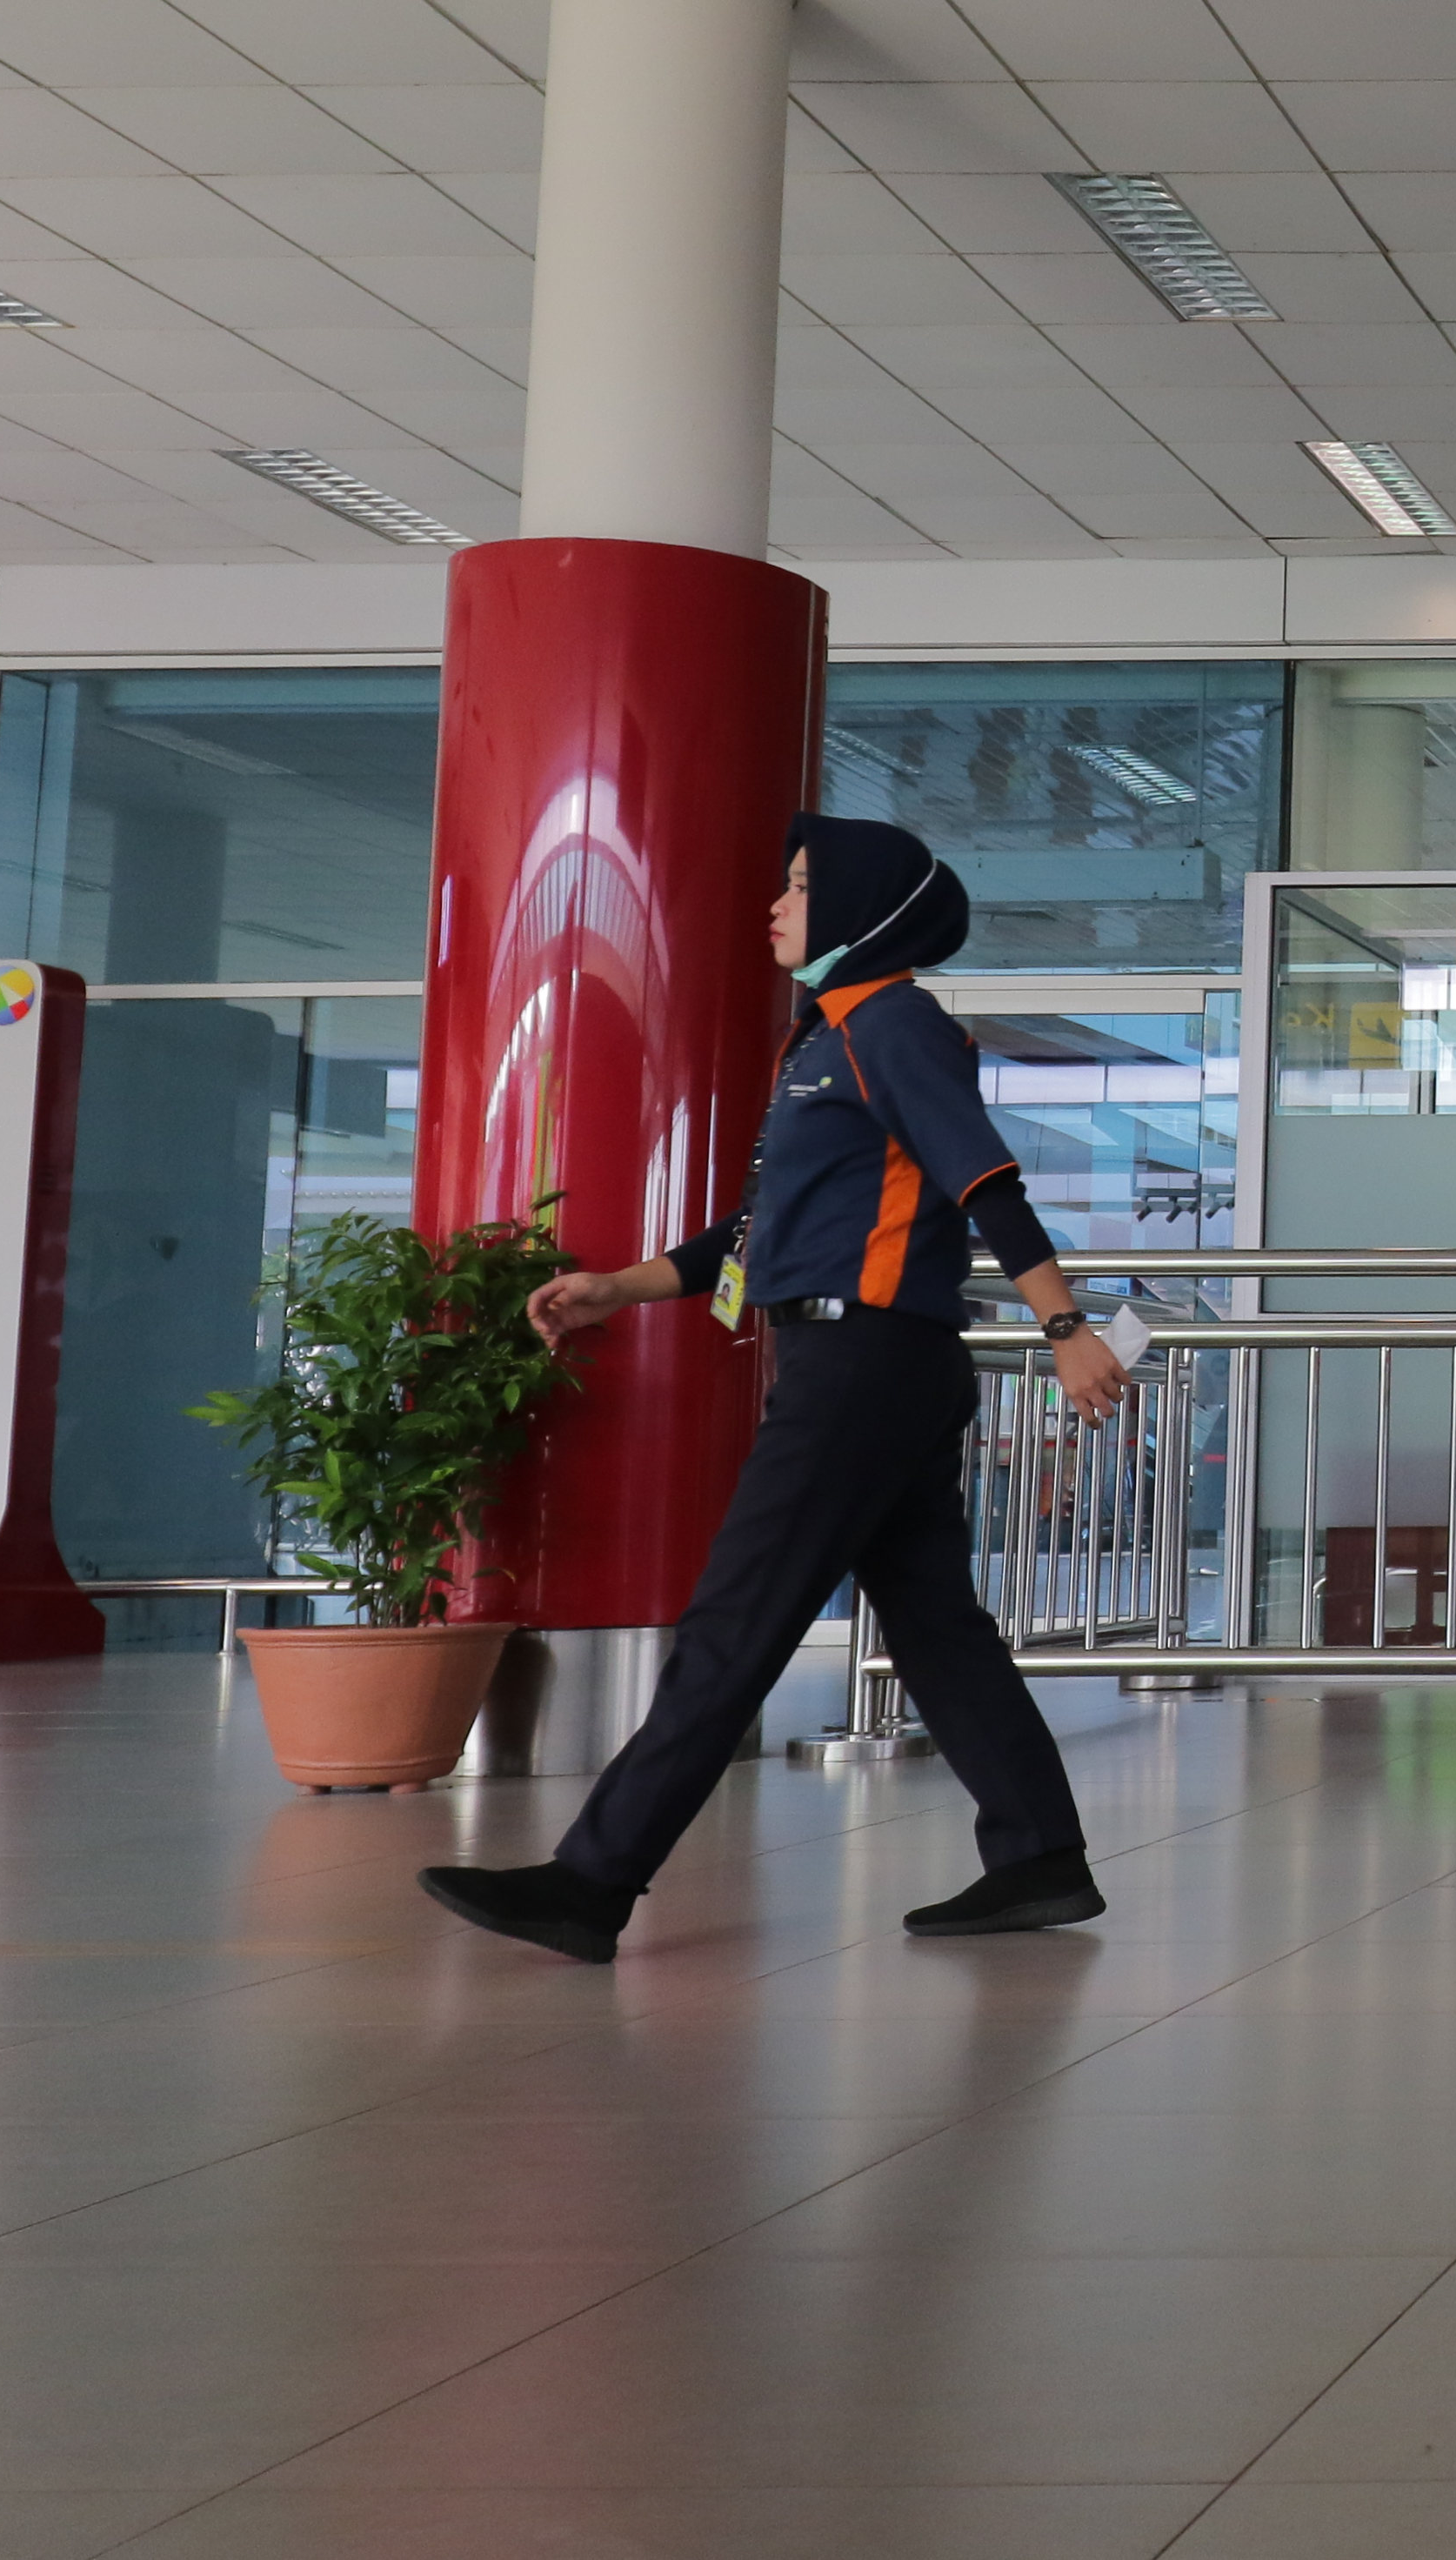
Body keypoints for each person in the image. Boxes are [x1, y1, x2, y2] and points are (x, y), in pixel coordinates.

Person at [417, 816, 1132, 1965]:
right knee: (937, 1624)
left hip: (864, 1364)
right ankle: (1038, 1855)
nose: (776, 902)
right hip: (862, 1360)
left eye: (800, 884)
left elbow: (983, 1174)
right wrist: (622, 1285)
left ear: (860, 910)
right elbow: (754, 1236)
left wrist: (1064, 1325)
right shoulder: (823, 1038)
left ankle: (591, 1879)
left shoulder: (888, 1021)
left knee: (737, 1618)